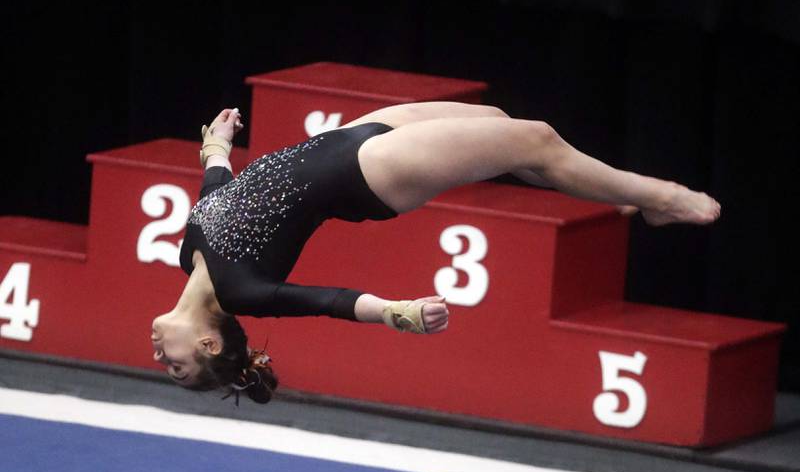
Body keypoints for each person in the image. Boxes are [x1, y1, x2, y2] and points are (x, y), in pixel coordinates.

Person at [151, 102, 720, 403]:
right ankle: (659, 199)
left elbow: (218, 200)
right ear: (209, 343)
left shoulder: (188, 260)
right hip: (369, 175)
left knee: (501, 125)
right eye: (176, 367)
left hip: (346, 139)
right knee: (537, 140)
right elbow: (331, 302)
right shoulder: (243, 292)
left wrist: (216, 148)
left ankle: (613, 192)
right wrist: (397, 313)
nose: (159, 357)